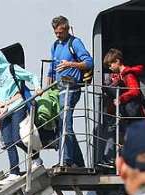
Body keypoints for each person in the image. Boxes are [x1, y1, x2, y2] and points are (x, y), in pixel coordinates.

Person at [0, 49, 41, 182]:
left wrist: (37, 88)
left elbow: (31, 76)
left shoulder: (12, 69)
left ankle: (35, 157)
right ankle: (14, 171)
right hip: (4, 109)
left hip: (17, 105)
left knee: (17, 137)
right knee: (7, 141)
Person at [46, 16, 93, 168]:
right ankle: (77, 162)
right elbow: (52, 67)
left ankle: (66, 160)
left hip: (71, 87)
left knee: (65, 123)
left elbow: (89, 62)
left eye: (60, 32)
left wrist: (70, 64)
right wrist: (48, 82)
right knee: (63, 124)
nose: (58, 35)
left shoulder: (75, 43)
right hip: (58, 89)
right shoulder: (55, 45)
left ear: (66, 29)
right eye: (55, 33)